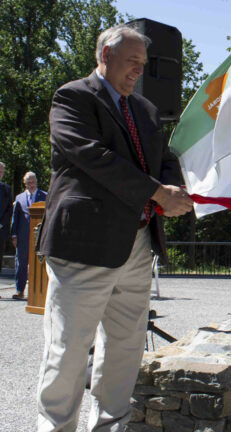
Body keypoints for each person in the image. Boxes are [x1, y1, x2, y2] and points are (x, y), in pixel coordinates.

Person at [36, 24, 193, 431]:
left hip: (137, 245)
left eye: (143, 63)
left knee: (124, 350)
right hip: (83, 245)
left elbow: (165, 158)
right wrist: (158, 192)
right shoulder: (73, 98)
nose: (139, 70)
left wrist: (176, 191)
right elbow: (93, 157)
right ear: (105, 55)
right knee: (69, 350)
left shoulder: (145, 110)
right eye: (132, 61)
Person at [10, 171, 47, 299]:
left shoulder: (45, 196)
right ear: (24, 183)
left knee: (40, 263)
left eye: (33, 182)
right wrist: (14, 235)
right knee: (21, 263)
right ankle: (20, 290)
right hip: (23, 236)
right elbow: (15, 218)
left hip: (40, 236)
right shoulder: (19, 198)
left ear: (36, 182)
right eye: (28, 182)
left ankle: (40, 292)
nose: (31, 184)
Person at [0, 162, 11, 276]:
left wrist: (1, 224)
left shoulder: (6, 189)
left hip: (1, 230)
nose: (0, 174)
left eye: (1, 172)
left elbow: (9, 209)